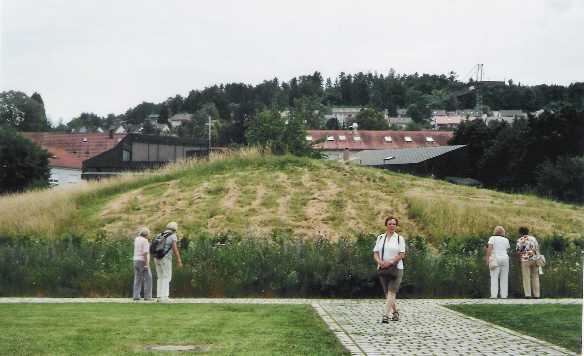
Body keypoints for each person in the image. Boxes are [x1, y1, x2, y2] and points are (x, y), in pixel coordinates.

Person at [373, 216, 406, 323]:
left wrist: (390, 262)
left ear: (396, 226)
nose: (392, 226)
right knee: (387, 293)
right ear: (386, 225)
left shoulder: (399, 238)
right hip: (382, 268)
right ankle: (395, 312)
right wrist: (380, 262)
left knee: (392, 291)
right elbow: (375, 253)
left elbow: (402, 254)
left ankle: (385, 315)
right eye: (390, 224)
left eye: (394, 224)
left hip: (396, 269)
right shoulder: (380, 238)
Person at [154, 221, 183, 303]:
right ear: (175, 229)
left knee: (160, 277)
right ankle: (165, 297)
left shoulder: (160, 234)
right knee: (167, 277)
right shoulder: (173, 236)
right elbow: (175, 249)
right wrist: (179, 260)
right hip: (165, 258)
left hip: (156, 258)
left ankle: (159, 297)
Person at [485, 226, 510, 299]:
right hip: (505, 259)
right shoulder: (506, 240)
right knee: (504, 278)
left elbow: (489, 249)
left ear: (495, 232)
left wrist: (487, 258)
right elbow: (507, 249)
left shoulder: (492, 238)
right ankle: (504, 295)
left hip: (495, 258)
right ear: (503, 232)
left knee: (494, 277)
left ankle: (494, 295)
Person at [516, 226, 540, 298]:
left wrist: (519, 259)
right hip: (534, 259)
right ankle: (537, 295)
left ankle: (528, 294)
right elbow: (537, 248)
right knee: (535, 276)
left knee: (526, 277)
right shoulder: (533, 238)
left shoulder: (520, 240)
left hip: (525, 259)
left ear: (520, 233)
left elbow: (518, 251)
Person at [132, 227, 152, 301]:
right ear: (146, 234)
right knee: (148, 279)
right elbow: (145, 253)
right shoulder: (145, 241)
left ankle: (136, 296)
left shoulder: (136, 239)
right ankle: (148, 296)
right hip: (142, 261)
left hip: (135, 260)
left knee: (137, 278)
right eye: (149, 234)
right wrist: (146, 264)